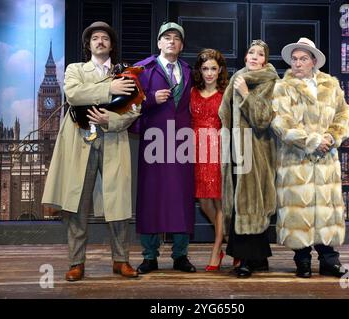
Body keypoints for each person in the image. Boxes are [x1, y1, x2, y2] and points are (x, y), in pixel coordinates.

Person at [42, 21, 141, 281]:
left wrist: (111, 120)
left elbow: (133, 110)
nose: (100, 41)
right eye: (95, 38)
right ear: (89, 44)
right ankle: (77, 263)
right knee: (77, 205)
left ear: (111, 45)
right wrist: (109, 88)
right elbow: (74, 94)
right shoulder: (76, 69)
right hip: (80, 143)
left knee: (119, 205)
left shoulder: (125, 73)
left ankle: (121, 261)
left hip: (112, 141)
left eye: (105, 38)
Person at [272, 37, 349, 279]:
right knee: (299, 211)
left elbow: (343, 115)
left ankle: (330, 261)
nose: (297, 63)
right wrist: (312, 141)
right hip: (296, 160)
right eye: (294, 59)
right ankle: (302, 261)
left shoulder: (331, 85)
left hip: (326, 160)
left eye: (303, 59)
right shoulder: (283, 87)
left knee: (325, 211)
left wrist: (331, 136)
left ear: (314, 62)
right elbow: (281, 123)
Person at [131, 22, 196, 274]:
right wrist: (148, 100)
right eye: (166, 38)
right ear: (159, 42)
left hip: (181, 141)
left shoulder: (189, 71)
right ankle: (149, 256)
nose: (171, 42)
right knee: (151, 197)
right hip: (153, 141)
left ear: (181, 45)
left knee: (181, 198)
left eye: (176, 39)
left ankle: (180, 255)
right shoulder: (143, 69)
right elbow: (126, 104)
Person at [219, 40, 279, 278]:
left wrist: (246, 95)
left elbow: (264, 119)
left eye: (260, 54)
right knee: (239, 202)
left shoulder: (272, 82)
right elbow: (224, 111)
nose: (254, 56)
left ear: (265, 60)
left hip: (257, 151)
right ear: (245, 57)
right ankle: (259, 257)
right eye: (251, 53)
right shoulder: (237, 79)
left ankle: (245, 259)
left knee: (252, 202)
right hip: (236, 149)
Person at [190, 49, 228, 271]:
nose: (209, 73)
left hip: (218, 148)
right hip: (195, 149)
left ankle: (216, 248)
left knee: (220, 201)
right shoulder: (192, 92)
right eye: (205, 69)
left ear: (220, 70)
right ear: (200, 70)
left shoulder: (226, 94)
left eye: (214, 68)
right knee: (204, 202)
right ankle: (228, 239)